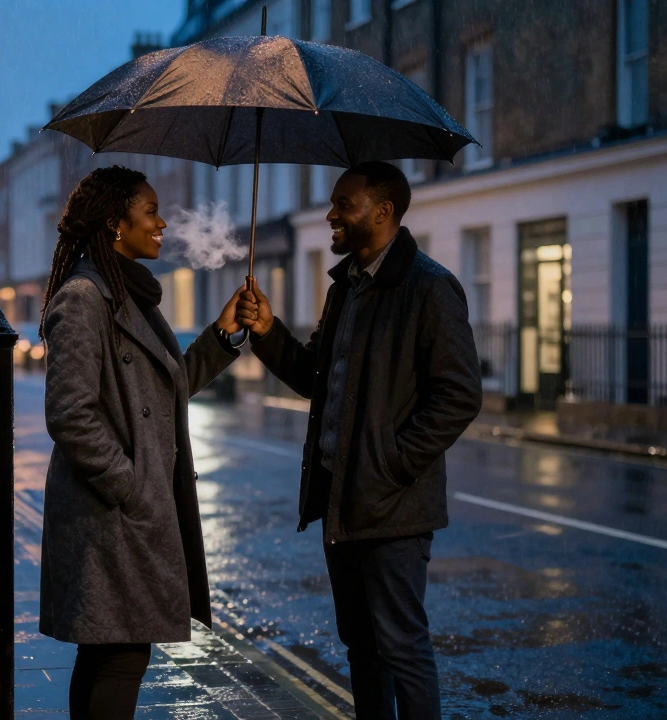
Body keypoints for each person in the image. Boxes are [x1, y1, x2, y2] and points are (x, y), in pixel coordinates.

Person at [235, 161, 483, 720]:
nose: (330, 214)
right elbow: (316, 377)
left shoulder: (430, 288)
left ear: (383, 211)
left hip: (392, 506)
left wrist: (391, 464)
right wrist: (269, 333)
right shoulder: (346, 287)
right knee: (362, 648)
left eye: (343, 204)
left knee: (403, 648)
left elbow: (460, 396)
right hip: (340, 502)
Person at [38, 166, 248, 719]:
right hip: (108, 519)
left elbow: (161, 388)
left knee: (110, 656)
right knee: (119, 657)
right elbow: (70, 413)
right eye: (150, 211)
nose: (162, 223)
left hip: (120, 520)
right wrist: (131, 486)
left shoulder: (127, 295)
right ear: (114, 224)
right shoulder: (85, 297)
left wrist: (223, 337)